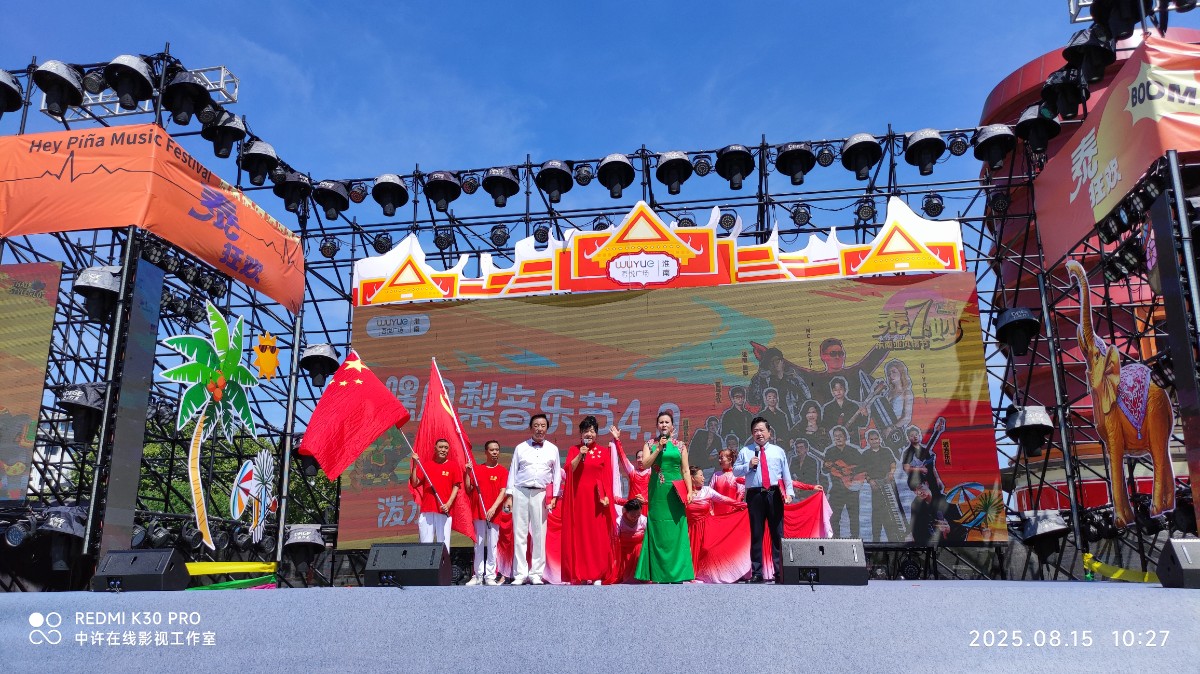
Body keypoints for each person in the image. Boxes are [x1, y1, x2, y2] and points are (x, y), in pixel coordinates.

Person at [734, 417, 812, 582]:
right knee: (757, 534)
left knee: (777, 534)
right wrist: (748, 465)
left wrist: (789, 493)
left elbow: (786, 474)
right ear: (752, 434)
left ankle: (779, 572)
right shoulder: (745, 451)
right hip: (755, 494)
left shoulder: (778, 451)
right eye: (755, 431)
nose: (759, 433)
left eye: (762, 430)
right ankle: (757, 573)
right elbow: (735, 471)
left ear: (769, 433)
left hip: (774, 493)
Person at [635, 411, 695, 583]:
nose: (664, 425)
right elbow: (645, 464)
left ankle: (678, 573)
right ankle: (658, 574)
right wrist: (658, 449)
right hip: (658, 491)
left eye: (667, 422)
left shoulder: (680, 445)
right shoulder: (650, 444)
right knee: (659, 527)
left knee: (676, 529)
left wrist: (690, 491)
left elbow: (685, 470)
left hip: (675, 491)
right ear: (657, 426)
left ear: (672, 426)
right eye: (661, 422)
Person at [504, 414, 561, 585]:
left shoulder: (553, 449)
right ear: (531, 428)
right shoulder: (521, 448)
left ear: (547, 428)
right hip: (520, 491)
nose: (539, 429)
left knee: (539, 534)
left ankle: (536, 573)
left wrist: (555, 496)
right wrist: (509, 495)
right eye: (536, 425)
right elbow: (513, 471)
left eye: (543, 425)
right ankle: (520, 574)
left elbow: (556, 475)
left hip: (541, 494)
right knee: (519, 533)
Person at [561, 416, 617, 585]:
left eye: (592, 431)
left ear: (596, 433)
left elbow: (607, 476)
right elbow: (568, 470)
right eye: (586, 431)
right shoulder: (574, 449)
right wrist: (580, 454)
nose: (589, 434)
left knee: (597, 536)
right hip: (578, 500)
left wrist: (607, 496)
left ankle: (598, 573)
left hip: (597, 500)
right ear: (581, 433)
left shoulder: (604, 451)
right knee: (581, 537)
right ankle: (582, 573)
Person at [686, 466, 747, 580]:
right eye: (701, 475)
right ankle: (690, 574)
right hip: (689, 529)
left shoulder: (707, 490)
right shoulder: (685, 493)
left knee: (708, 549)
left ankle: (708, 574)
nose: (704, 478)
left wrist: (742, 505)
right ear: (692, 478)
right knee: (688, 552)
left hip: (706, 528)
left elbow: (724, 499)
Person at [465, 439, 509, 585]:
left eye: (497, 450)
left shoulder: (502, 471)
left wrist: (493, 508)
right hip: (478, 512)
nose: (495, 452)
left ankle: (490, 575)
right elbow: (469, 488)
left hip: (494, 514)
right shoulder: (477, 469)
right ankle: (477, 575)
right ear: (486, 452)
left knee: (492, 545)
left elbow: (503, 492)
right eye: (492, 450)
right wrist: (468, 473)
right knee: (478, 544)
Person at [800, 338, 890, 408]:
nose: (837, 357)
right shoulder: (816, 378)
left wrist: (890, 337)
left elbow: (874, 357)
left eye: (841, 353)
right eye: (833, 353)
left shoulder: (854, 373)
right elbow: (795, 370)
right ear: (823, 356)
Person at [408, 438, 462, 553]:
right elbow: (415, 483)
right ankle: (425, 564)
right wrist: (415, 465)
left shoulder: (453, 466)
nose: (443, 450)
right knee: (425, 543)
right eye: (441, 447)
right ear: (435, 448)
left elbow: (456, 486)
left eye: (446, 448)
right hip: (427, 509)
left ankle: (443, 564)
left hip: (444, 509)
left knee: (443, 544)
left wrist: (448, 504)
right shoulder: (427, 465)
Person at [859, 429, 906, 543]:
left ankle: (898, 537)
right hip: (875, 486)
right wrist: (870, 481)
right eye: (872, 439)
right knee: (877, 513)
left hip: (888, 482)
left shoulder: (886, 451)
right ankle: (876, 541)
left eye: (876, 439)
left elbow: (893, 464)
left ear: (879, 439)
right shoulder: (865, 454)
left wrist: (891, 473)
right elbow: (863, 471)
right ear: (868, 441)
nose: (874, 441)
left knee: (893, 510)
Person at [823, 425, 864, 539]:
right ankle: (835, 539)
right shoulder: (830, 452)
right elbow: (824, 470)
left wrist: (850, 471)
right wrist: (826, 466)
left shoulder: (853, 451)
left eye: (840, 436)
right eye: (835, 436)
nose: (838, 438)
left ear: (845, 437)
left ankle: (854, 539)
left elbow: (862, 467)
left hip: (852, 488)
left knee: (853, 516)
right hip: (837, 489)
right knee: (834, 517)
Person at [614, 427, 649, 516]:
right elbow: (622, 457)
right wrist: (617, 439)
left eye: (643, 457)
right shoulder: (632, 472)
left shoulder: (652, 472)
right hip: (632, 509)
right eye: (638, 457)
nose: (640, 460)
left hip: (647, 509)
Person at [901, 424, 944, 498]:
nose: (915, 437)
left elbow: (931, 466)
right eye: (912, 435)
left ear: (919, 435)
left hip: (932, 479)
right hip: (921, 484)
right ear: (908, 438)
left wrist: (937, 479)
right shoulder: (908, 452)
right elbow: (906, 468)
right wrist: (920, 469)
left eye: (916, 434)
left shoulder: (925, 449)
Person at [611, 499, 647, 584]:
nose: (635, 517)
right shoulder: (619, 521)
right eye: (632, 515)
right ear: (626, 512)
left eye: (638, 515)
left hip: (638, 551)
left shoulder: (643, 520)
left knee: (640, 547)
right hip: (623, 551)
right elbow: (615, 540)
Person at [823, 377, 868, 442]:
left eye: (840, 389)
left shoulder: (854, 406)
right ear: (832, 392)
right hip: (834, 441)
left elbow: (862, 424)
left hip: (852, 440)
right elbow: (825, 425)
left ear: (845, 390)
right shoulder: (828, 408)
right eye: (835, 390)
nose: (838, 392)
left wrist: (865, 414)